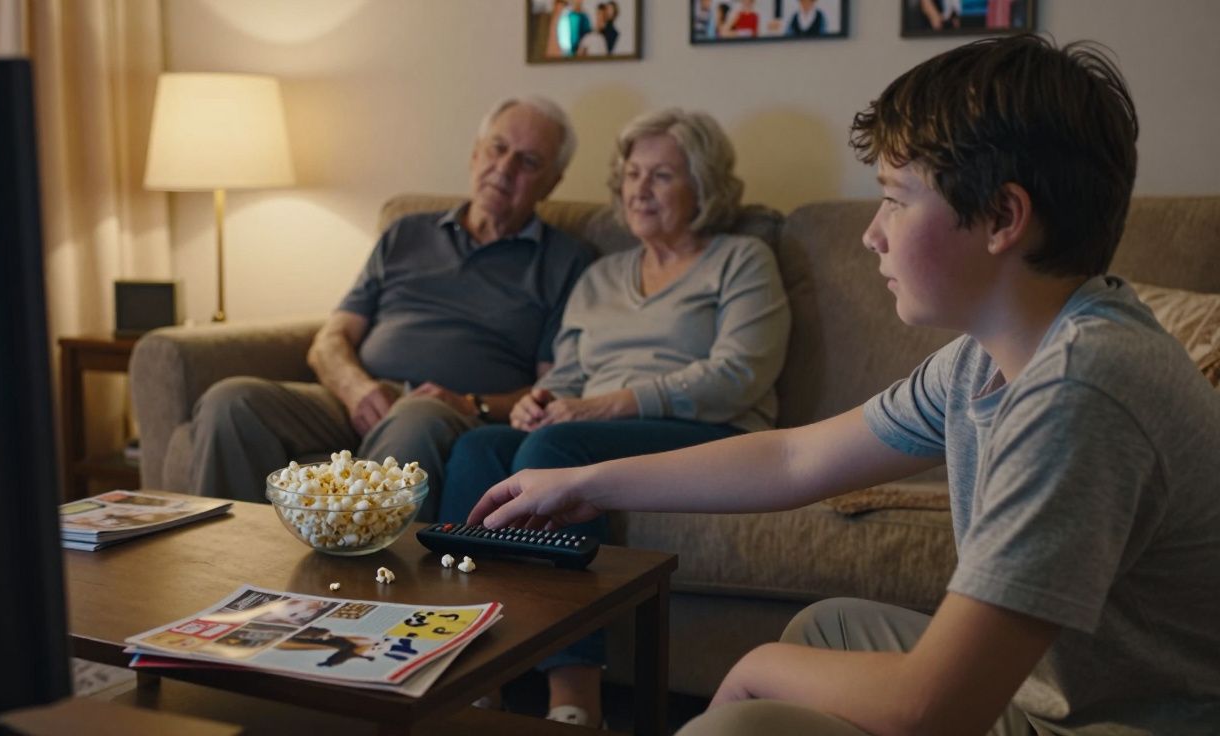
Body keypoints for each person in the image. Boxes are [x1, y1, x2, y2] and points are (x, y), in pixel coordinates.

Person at [466, 35, 1220, 735]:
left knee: (752, 703)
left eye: (896, 197)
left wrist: (756, 669)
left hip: (1125, 721)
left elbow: (936, 707)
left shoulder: (1079, 389)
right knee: (827, 629)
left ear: (1002, 217)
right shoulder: (982, 359)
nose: (872, 232)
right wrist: (586, 483)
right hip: (1047, 690)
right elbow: (794, 459)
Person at [442, 108, 789, 729]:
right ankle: (476, 678)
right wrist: (540, 399)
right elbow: (570, 373)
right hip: (591, 428)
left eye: (661, 175)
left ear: (703, 186)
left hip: (707, 431)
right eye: (632, 174)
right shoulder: (602, 275)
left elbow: (739, 375)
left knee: (553, 454)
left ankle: (575, 702)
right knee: (478, 451)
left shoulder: (742, 259)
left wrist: (607, 404)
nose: (639, 189)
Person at [187, 97, 593, 519]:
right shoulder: (406, 233)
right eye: (497, 147)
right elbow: (331, 338)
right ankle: (227, 565)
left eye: (528, 161)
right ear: (476, 153)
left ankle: (357, 574)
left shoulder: (565, 262)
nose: (504, 169)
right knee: (231, 401)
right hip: (359, 397)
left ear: (552, 182)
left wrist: (471, 403)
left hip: (446, 412)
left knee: (415, 415)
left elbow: (552, 390)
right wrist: (355, 388)